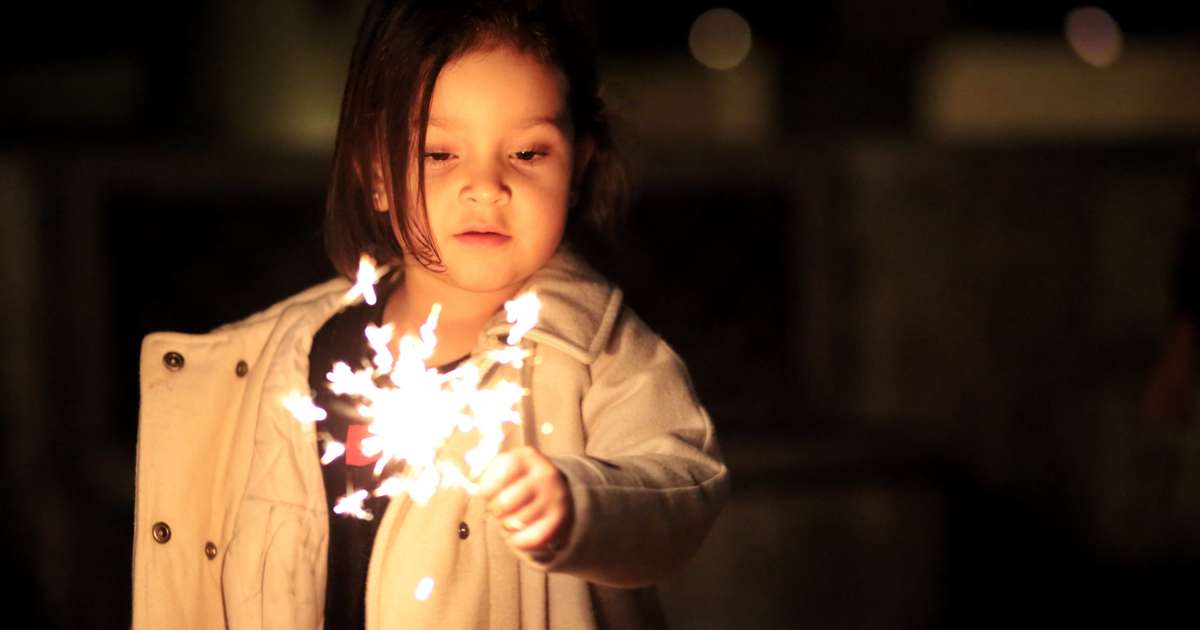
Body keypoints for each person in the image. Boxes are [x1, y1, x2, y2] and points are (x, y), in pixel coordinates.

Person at [130, 1, 728, 629]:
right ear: (376, 172)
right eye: (439, 154)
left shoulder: (598, 358)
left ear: (576, 171)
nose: (485, 186)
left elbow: (680, 488)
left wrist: (579, 503)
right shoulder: (289, 362)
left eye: (528, 153)